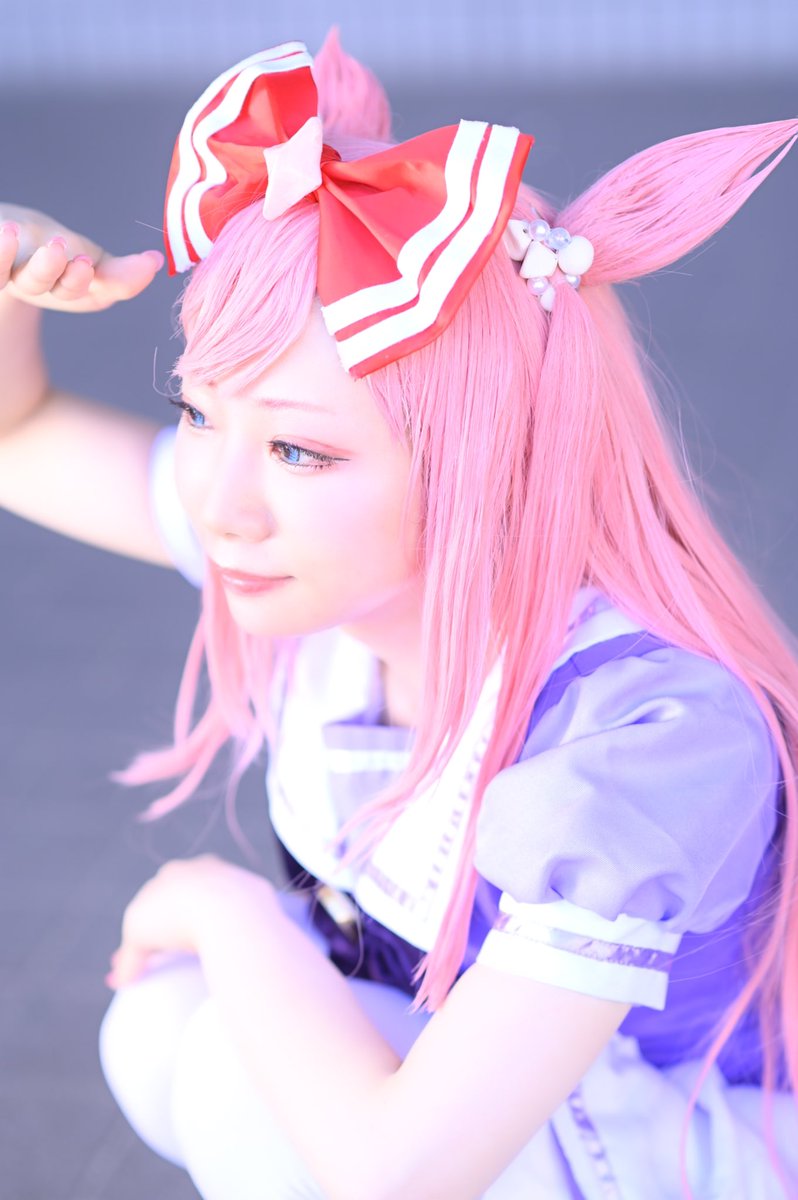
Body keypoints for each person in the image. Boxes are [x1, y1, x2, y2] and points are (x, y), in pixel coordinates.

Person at [1, 30, 797, 1200]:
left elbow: (400, 1171)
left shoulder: (649, 735)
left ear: (475, 468)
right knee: (170, 1024)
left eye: (298, 449)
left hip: (678, 1147)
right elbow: (18, 444)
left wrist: (233, 912)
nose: (220, 503)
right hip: (500, 1112)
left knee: (230, 1053)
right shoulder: (330, 562)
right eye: (202, 415)